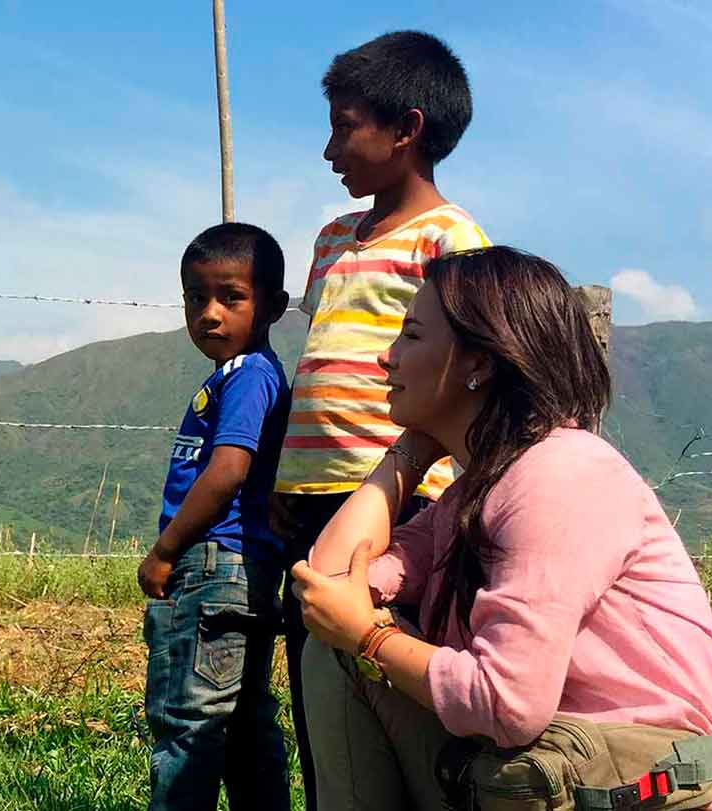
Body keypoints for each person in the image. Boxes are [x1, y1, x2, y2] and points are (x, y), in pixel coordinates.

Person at [289, 246, 712, 810]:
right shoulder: (475, 492)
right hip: (560, 776)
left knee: (349, 651)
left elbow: (506, 703)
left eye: (412, 336)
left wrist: (371, 638)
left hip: (661, 790)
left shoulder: (560, 476)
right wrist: (408, 452)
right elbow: (326, 584)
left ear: (478, 363)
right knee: (333, 653)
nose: (387, 357)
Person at [273, 30, 491, 805]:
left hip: (398, 500)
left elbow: (466, 365)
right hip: (303, 499)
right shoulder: (333, 237)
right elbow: (318, 359)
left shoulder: (450, 241)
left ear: (405, 129)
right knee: (315, 676)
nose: (330, 147)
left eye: (344, 124)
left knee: (386, 676)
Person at [139, 222, 294, 811]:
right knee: (246, 721)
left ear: (273, 306)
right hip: (242, 569)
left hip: (211, 565)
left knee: (188, 721)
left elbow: (227, 470)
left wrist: (166, 550)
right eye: (195, 298)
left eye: (231, 298)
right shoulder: (236, 374)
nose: (209, 314)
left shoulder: (250, 374)